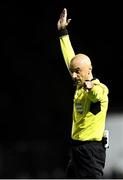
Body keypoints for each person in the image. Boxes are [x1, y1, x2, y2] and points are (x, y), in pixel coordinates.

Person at [57, 8, 109, 179]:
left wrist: (91, 88)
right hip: (76, 149)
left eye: (78, 71)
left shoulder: (99, 87)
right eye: (73, 71)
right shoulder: (79, 85)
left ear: (89, 70)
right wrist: (63, 33)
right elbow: (70, 60)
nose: (74, 74)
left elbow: (99, 95)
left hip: (91, 151)